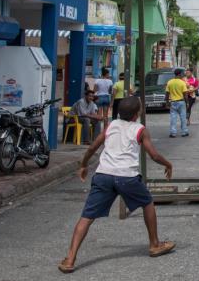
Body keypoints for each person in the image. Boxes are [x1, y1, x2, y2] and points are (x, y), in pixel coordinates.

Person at [58, 96, 175, 273]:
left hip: (103, 175)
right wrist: (168, 164)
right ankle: (154, 244)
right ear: (137, 114)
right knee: (147, 203)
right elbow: (154, 155)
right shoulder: (140, 129)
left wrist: (83, 165)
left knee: (87, 216)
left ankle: (70, 259)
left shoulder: (111, 126)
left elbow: (92, 148)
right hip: (127, 176)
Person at [166, 69, 190, 138]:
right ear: (179, 74)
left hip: (173, 102)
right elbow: (185, 94)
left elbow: (167, 93)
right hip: (181, 102)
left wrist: (167, 102)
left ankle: (173, 133)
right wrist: (187, 103)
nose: (183, 75)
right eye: (182, 73)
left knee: (173, 118)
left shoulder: (170, 82)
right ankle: (184, 132)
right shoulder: (182, 83)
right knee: (183, 118)